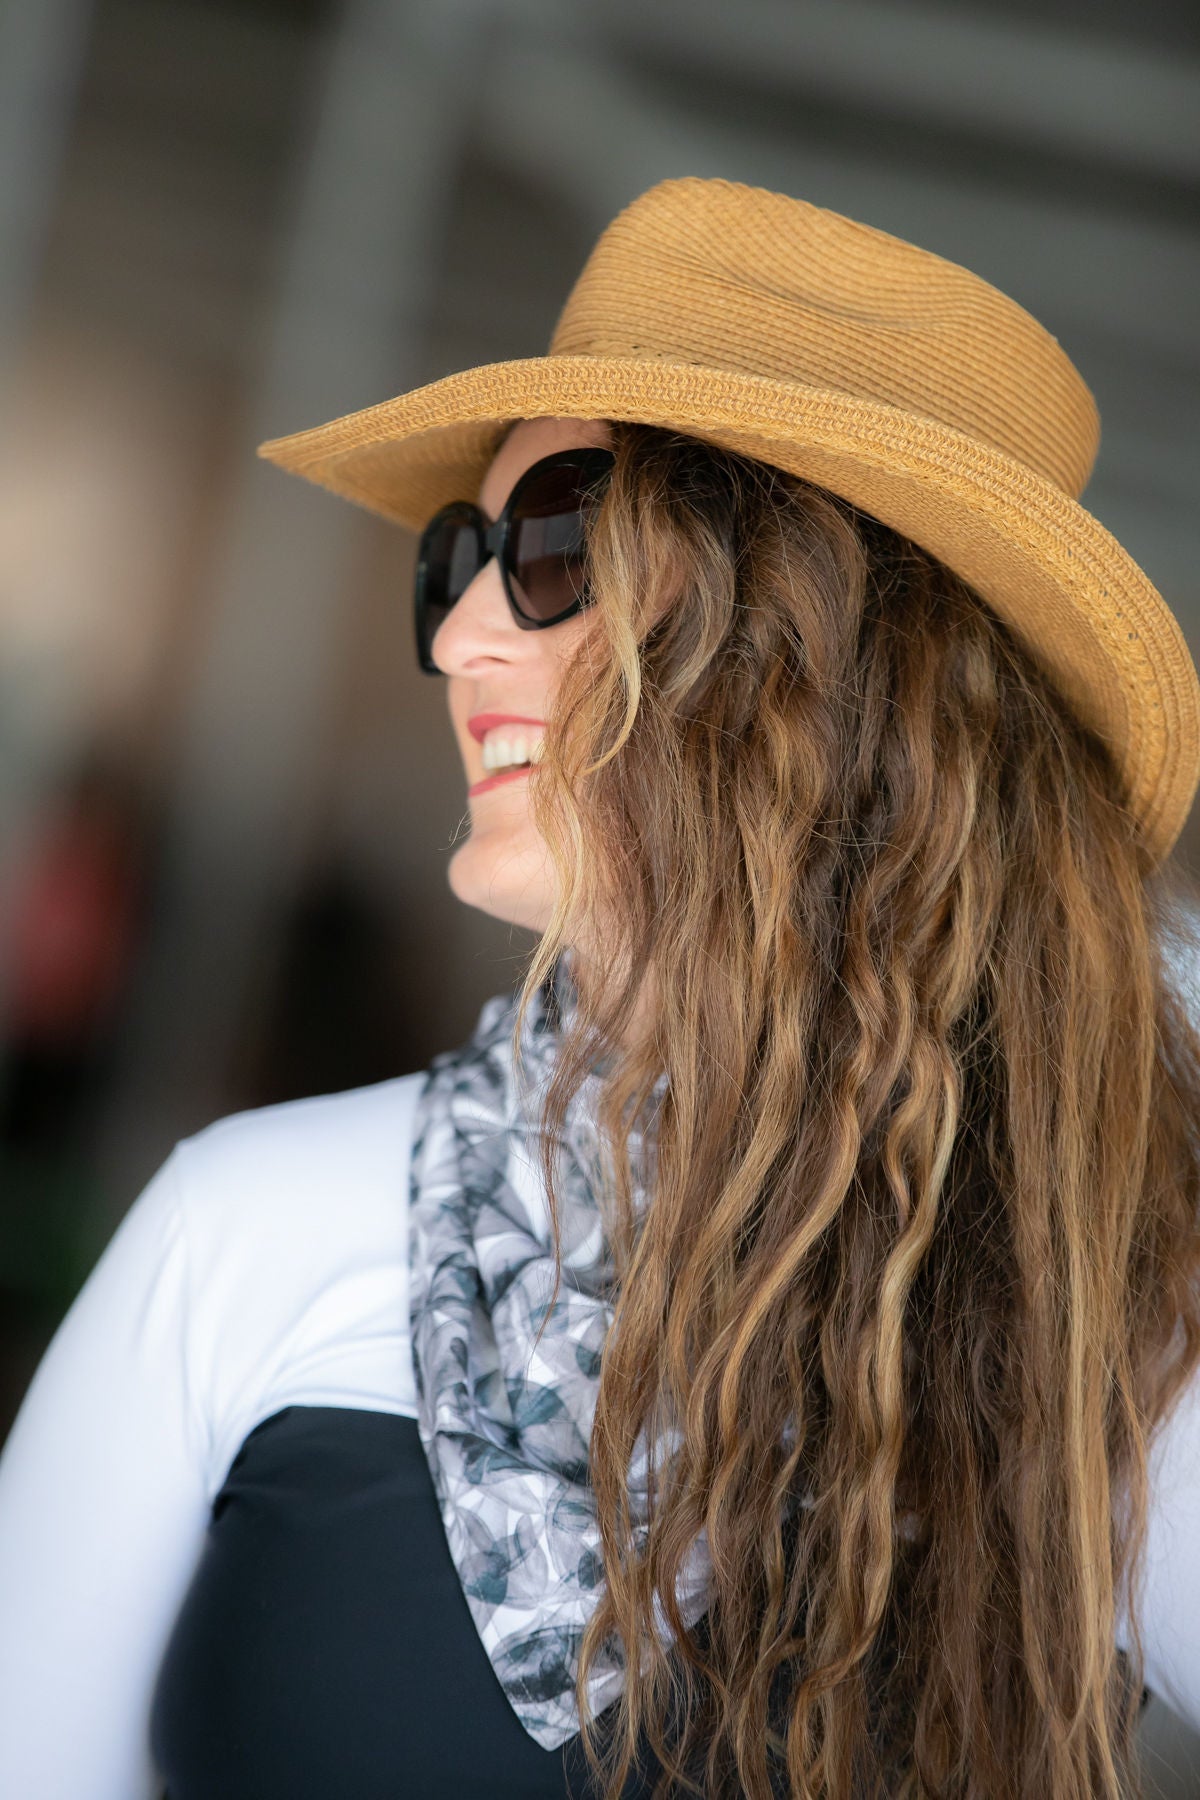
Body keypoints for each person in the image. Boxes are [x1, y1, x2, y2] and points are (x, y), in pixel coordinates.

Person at [1, 175, 1200, 1800]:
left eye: (555, 539)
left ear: (823, 653)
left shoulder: (1109, 1314)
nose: (460, 642)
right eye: (459, 560)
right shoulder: (254, 1227)